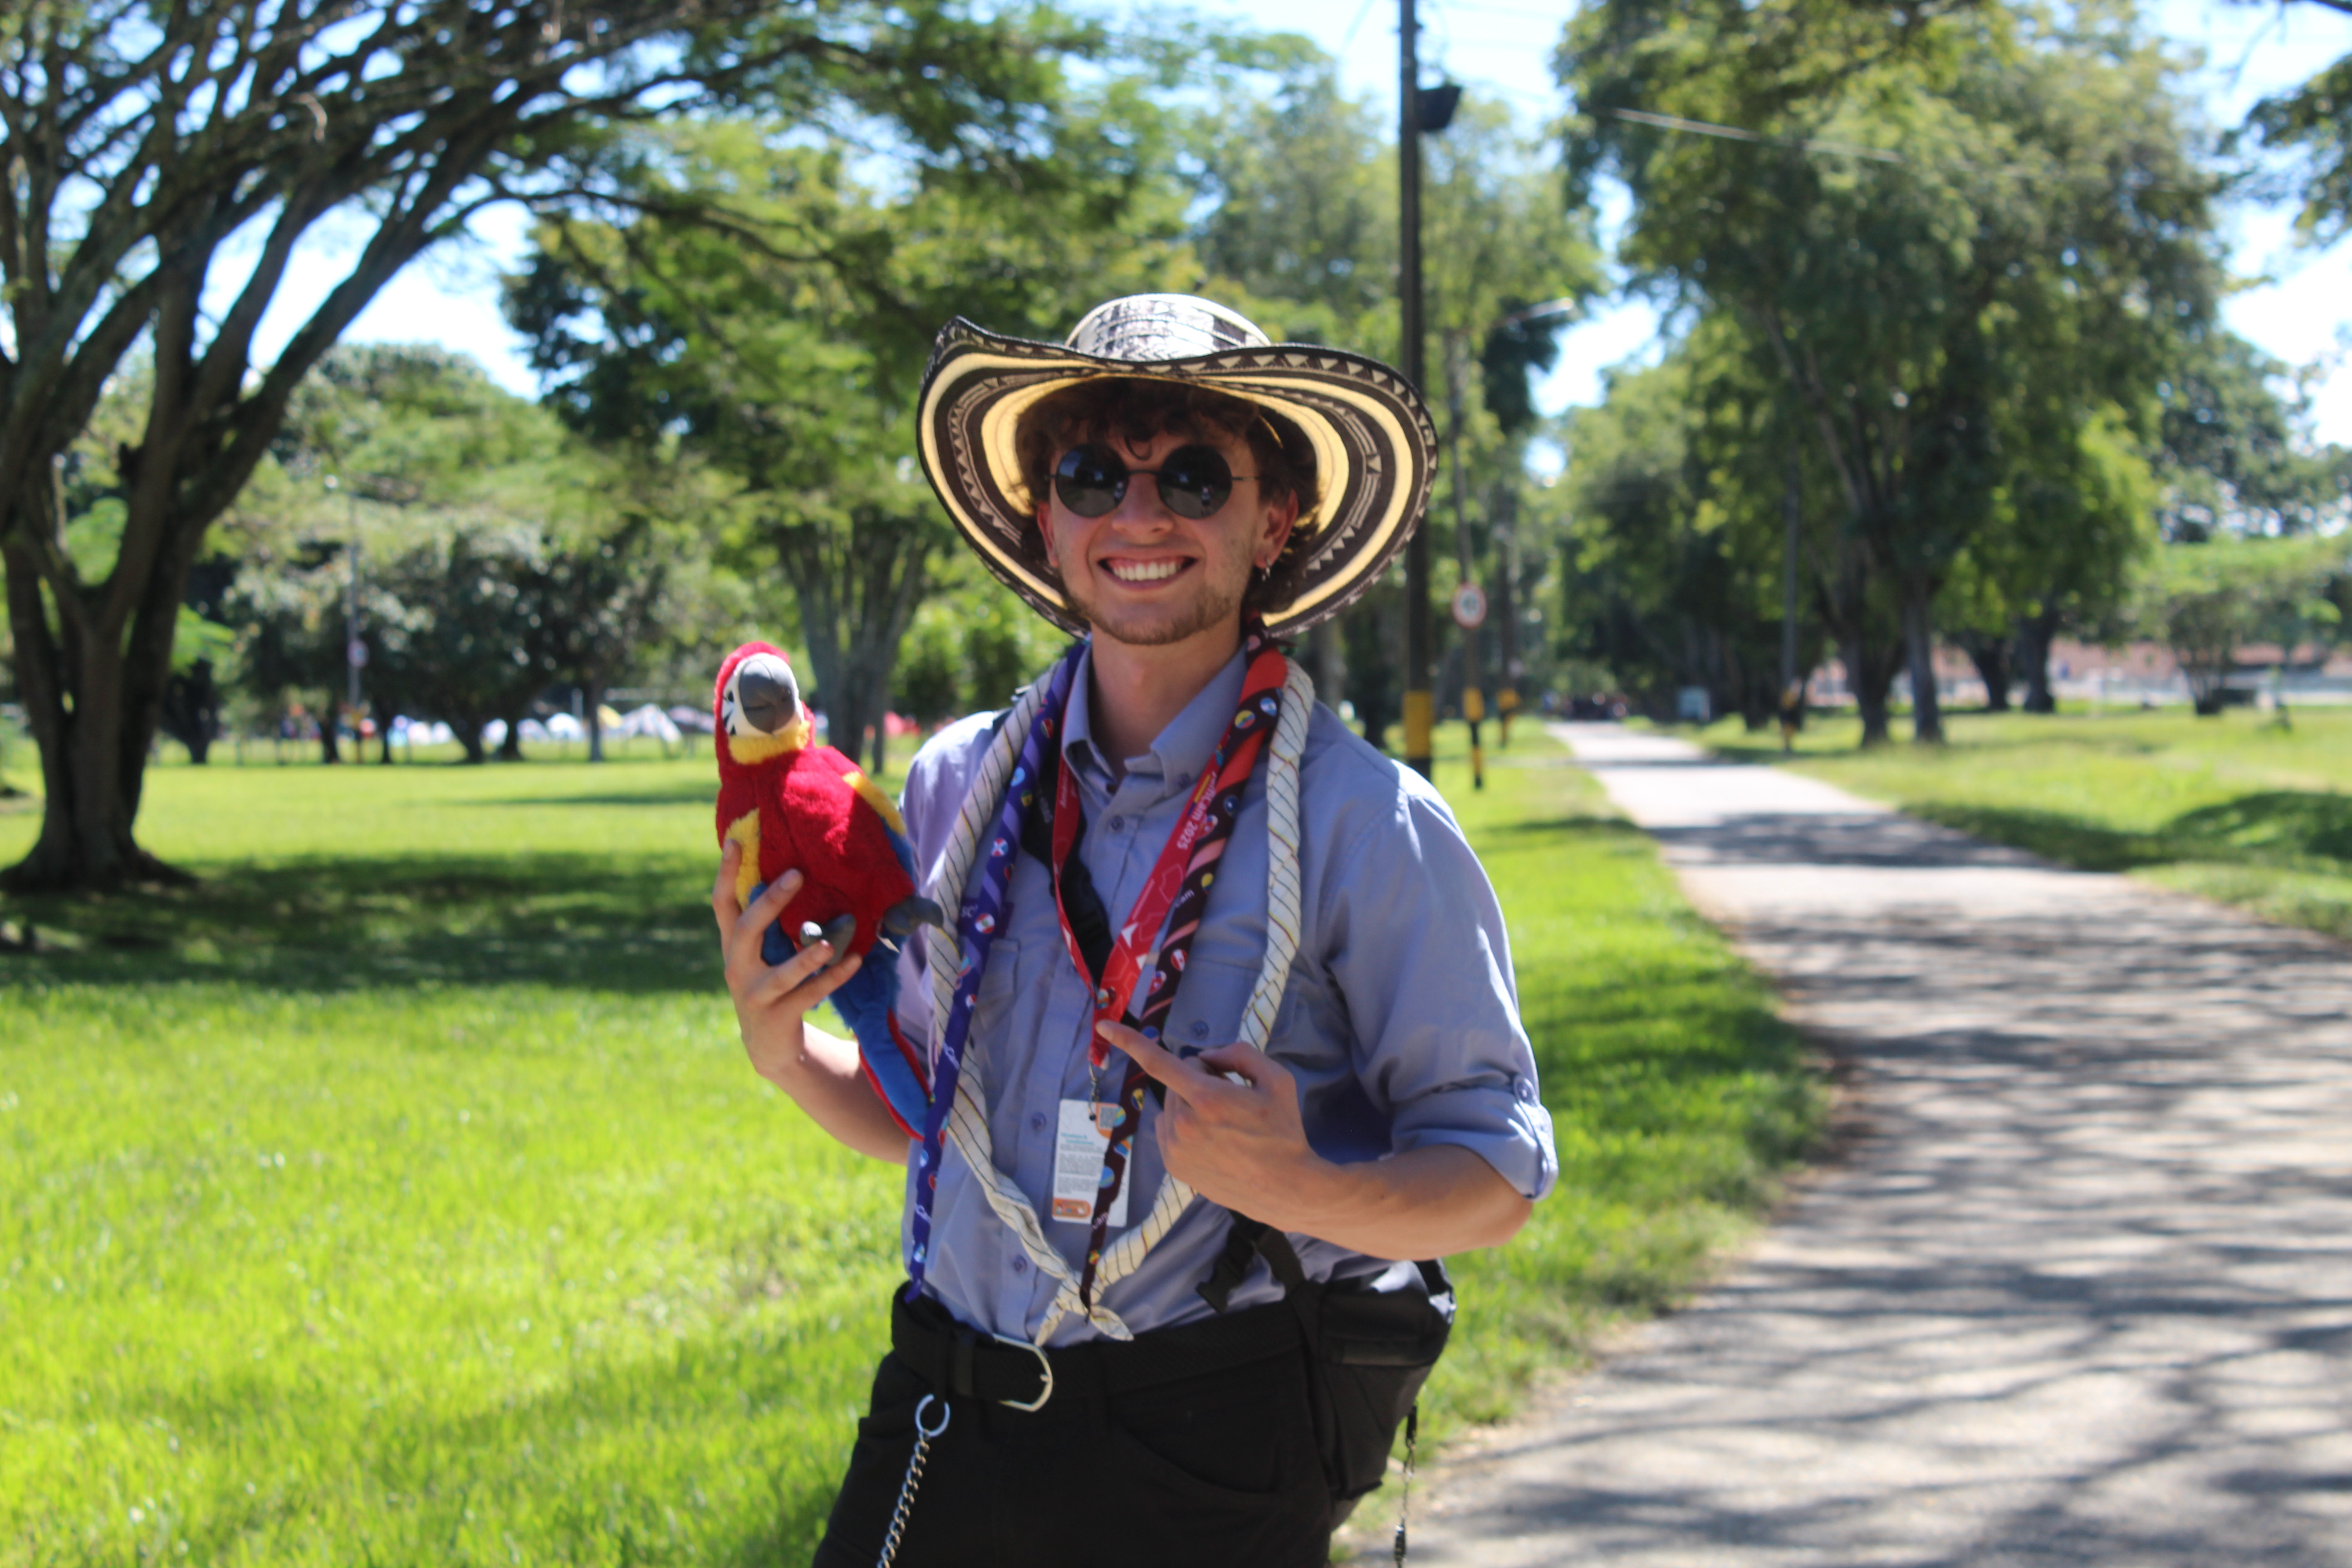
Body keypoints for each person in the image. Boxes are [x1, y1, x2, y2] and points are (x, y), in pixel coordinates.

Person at [712, 294, 1557, 1567]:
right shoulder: (960, 785)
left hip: (1205, 1448)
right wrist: (784, 1055)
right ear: (1047, 522)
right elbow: (931, 1124)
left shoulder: (1364, 822)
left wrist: (1307, 1189)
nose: (1140, 515)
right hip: (945, 1407)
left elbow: (1496, 1176)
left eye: (1196, 476)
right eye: (1094, 473)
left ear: (1275, 522)